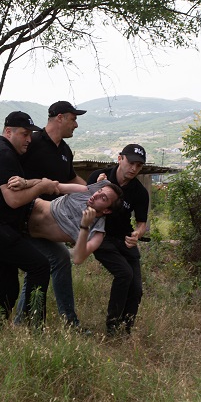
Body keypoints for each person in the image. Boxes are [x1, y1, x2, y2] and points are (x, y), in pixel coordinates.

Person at [0, 111, 67, 328]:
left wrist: (35, 182)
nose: (29, 139)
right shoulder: (4, 154)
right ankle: (34, 326)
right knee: (39, 265)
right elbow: (13, 200)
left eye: (30, 134)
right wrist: (42, 186)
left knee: (7, 287)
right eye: (24, 134)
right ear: (8, 131)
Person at [15, 100, 88, 327]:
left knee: (47, 263)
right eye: (73, 118)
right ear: (60, 117)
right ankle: (68, 322)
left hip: (49, 222)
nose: (75, 124)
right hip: (24, 218)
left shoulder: (64, 151)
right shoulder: (33, 142)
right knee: (54, 259)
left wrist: (94, 191)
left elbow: (70, 179)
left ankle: (22, 321)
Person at [86, 144, 150, 337]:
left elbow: (141, 223)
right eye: (131, 163)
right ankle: (112, 327)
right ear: (120, 159)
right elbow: (84, 201)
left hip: (124, 238)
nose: (134, 169)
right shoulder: (101, 176)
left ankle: (126, 329)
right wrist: (96, 187)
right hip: (101, 235)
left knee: (136, 288)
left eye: (139, 166)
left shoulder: (139, 191)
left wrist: (137, 235)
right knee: (124, 274)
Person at [24, 180, 123, 264]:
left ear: (107, 210)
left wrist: (84, 227)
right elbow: (51, 185)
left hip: (28, 233)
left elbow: (77, 259)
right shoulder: (83, 191)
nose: (96, 195)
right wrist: (25, 183)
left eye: (103, 198)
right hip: (26, 206)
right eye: (99, 191)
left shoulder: (97, 233)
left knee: (58, 261)